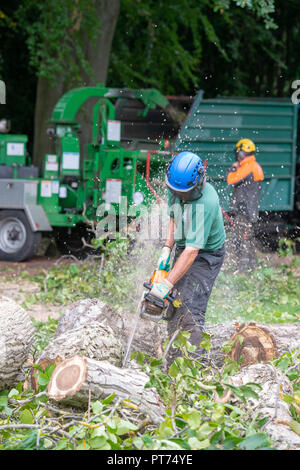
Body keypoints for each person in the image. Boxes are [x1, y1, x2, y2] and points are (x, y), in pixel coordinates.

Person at [150, 151, 226, 368]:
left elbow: (193, 252)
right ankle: (174, 358)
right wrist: (166, 249)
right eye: (177, 192)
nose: (181, 196)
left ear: (198, 183)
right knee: (175, 301)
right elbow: (174, 219)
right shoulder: (177, 188)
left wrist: (165, 284)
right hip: (185, 245)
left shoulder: (207, 203)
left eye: (186, 193)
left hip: (205, 255)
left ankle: (194, 368)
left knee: (190, 306)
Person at [227, 138, 264, 273]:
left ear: (243, 153)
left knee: (240, 239)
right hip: (250, 209)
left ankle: (241, 270)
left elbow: (231, 179)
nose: (237, 156)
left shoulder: (248, 168)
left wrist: (233, 168)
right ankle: (253, 267)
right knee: (248, 239)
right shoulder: (254, 166)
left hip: (245, 210)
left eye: (238, 153)